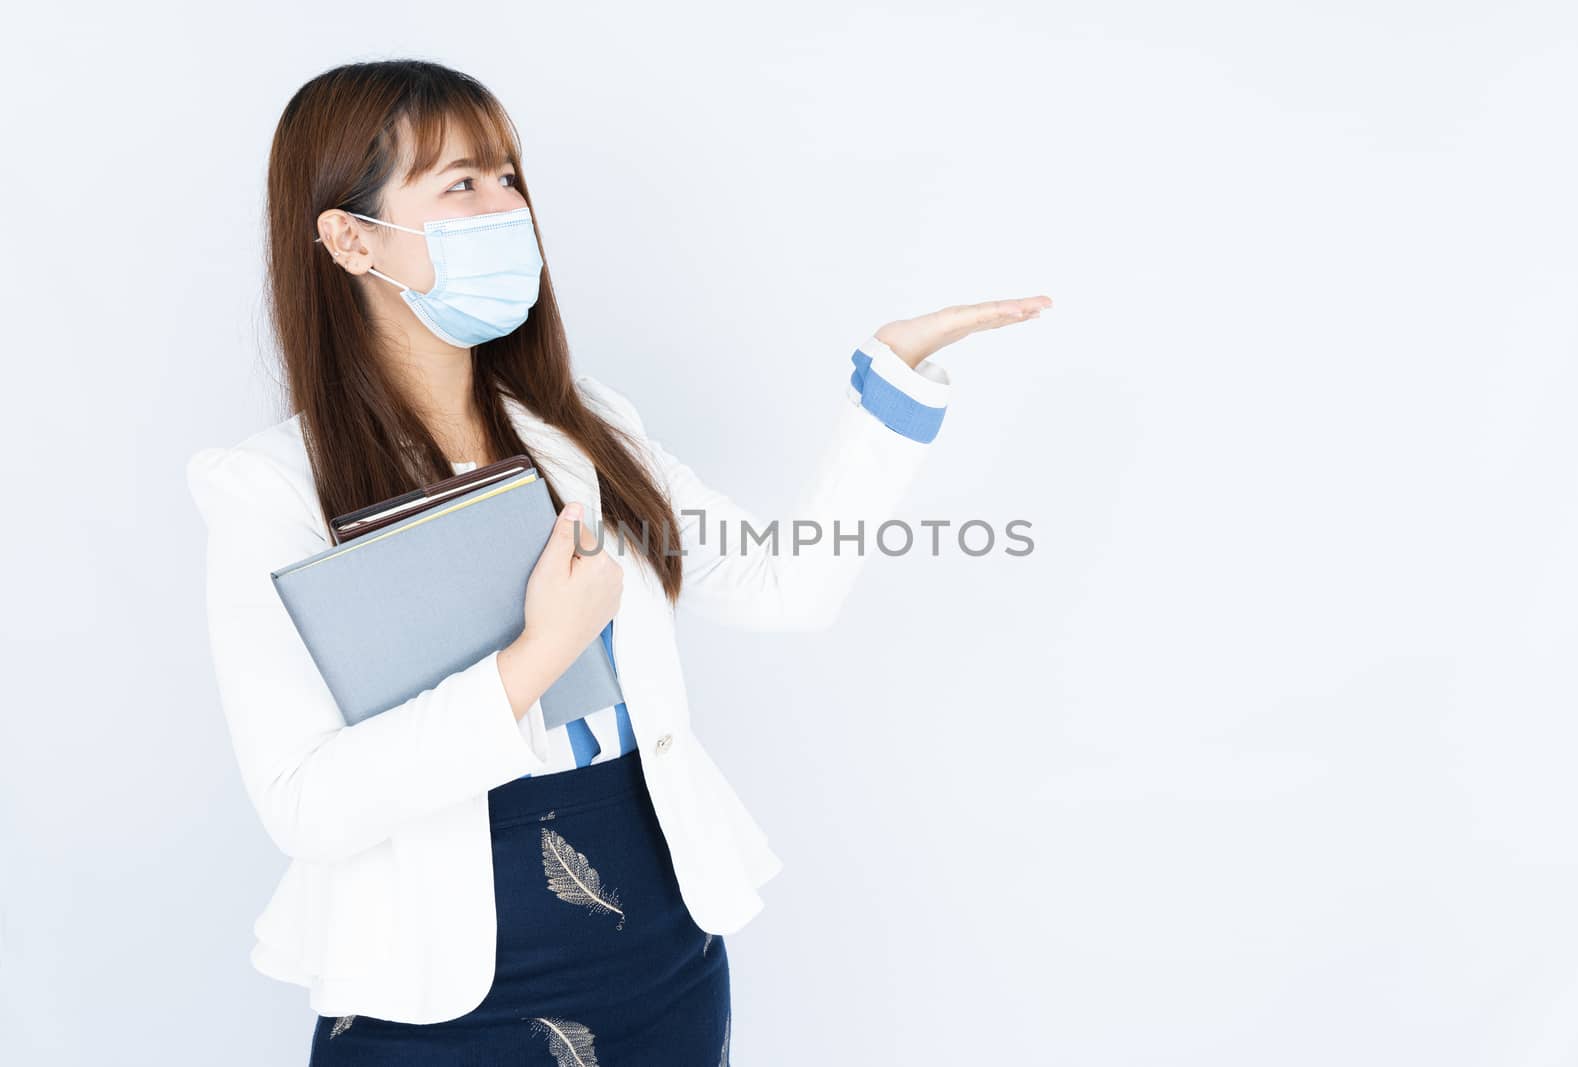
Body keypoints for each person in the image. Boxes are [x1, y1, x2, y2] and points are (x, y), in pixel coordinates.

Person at [185, 58, 1050, 1065]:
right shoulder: (271, 486)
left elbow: (787, 586)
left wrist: (893, 386)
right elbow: (306, 802)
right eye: (460, 183)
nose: (505, 208)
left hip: (661, 942)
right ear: (348, 235)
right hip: (443, 984)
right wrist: (538, 655)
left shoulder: (581, 427)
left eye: (510, 178)